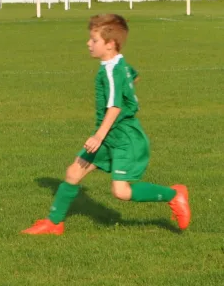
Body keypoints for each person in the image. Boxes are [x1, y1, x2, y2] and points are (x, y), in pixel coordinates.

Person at [21, 14, 191, 235]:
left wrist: (98, 136)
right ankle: (54, 223)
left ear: (110, 44)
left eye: (94, 40)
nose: (88, 43)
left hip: (121, 137)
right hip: (109, 134)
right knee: (74, 172)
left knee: (120, 192)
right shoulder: (117, 64)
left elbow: (115, 107)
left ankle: (173, 194)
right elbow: (133, 76)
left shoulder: (111, 72)